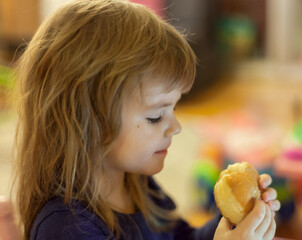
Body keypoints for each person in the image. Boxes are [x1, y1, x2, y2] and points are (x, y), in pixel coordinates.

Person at [13, 0, 280, 239]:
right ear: (87, 121)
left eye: (174, 109)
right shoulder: (66, 228)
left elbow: (182, 237)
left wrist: (240, 222)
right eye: (155, 117)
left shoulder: (137, 186)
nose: (175, 127)